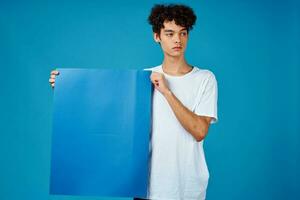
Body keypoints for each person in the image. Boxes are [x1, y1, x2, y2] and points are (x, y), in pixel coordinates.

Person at [49, 3, 218, 200]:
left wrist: (167, 92)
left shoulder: (204, 78)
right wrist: (66, 88)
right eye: (170, 34)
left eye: (182, 33)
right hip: (146, 186)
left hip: (187, 187)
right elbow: (105, 110)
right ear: (157, 36)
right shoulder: (143, 78)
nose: (177, 40)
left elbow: (200, 131)